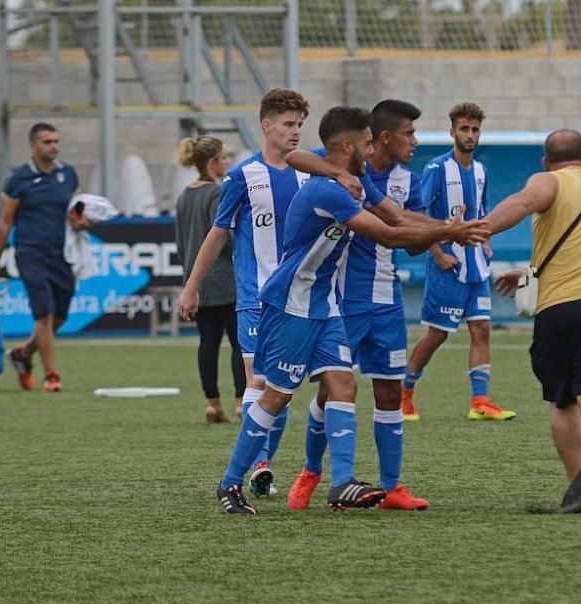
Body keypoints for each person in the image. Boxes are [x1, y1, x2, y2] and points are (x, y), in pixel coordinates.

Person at [214, 106, 489, 514]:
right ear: (348, 146)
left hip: (323, 307)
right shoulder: (328, 190)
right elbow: (386, 234)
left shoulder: (352, 181)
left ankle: (341, 483)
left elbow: (397, 217)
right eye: (365, 142)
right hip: (291, 305)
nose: (371, 147)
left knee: (344, 387)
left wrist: (444, 230)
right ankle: (230, 483)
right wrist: (448, 230)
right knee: (277, 396)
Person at [177, 88, 359, 497]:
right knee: (261, 386)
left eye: (300, 125)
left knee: (320, 387)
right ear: (266, 125)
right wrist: (192, 286)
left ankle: (306, 471)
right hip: (257, 300)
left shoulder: (311, 173)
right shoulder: (243, 176)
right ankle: (257, 467)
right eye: (288, 124)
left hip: (308, 299)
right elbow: (218, 231)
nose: (295, 132)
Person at [285, 100, 430, 512]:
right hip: (342, 300)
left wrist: (442, 233)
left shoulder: (406, 181)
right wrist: (335, 171)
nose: (414, 142)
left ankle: (392, 488)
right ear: (380, 139)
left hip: (387, 302)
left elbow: (406, 231)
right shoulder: (336, 165)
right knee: (332, 392)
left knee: (388, 390)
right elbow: (291, 154)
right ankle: (312, 472)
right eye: (409, 134)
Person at [491, 130, 581, 513]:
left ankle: (579, 488)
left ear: (545, 161)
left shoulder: (547, 180)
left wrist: (480, 228)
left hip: (559, 310)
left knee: (562, 400)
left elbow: (523, 202)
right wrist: (530, 271)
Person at [403, 102, 516, 421]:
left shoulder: (481, 171)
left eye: (475, 129)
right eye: (464, 129)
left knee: (481, 329)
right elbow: (419, 213)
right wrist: (438, 253)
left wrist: (488, 243)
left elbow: (482, 211)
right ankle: (405, 392)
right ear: (452, 131)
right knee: (437, 334)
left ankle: (480, 401)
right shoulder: (437, 169)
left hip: (476, 266)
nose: (470, 135)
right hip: (447, 267)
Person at [0, 122, 83, 393]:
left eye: (56, 141)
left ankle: (23, 353)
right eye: (47, 142)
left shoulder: (69, 174)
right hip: (30, 253)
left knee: (58, 319)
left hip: (61, 254)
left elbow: (73, 211)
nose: (53, 146)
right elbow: (5, 222)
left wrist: (81, 222)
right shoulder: (18, 179)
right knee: (44, 314)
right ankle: (52, 375)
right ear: (33, 146)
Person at [174, 136, 245, 423]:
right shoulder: (216, 194)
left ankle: (212, 404)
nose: (228, 162)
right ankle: (241, 400)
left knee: (208, 342)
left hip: (197, 281)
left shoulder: (183, 196)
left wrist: (190, 278)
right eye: (224, 157)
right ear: (213, 163)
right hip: (224, 280)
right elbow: (224, 235)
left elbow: (180, 242)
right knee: (239, 342)